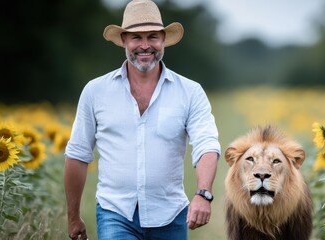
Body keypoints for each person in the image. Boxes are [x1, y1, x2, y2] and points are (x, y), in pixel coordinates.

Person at [63, 0, 221, 239]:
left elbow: (206, 145)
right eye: (136, 37)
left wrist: (203, 193)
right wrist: (73, 217)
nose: (145, 45)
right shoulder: (95, 91)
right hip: (115, 213)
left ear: (163, 40)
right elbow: (77, 154)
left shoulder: (190, 91)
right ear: (124, 40)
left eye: (153, 37)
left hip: (171, 214)